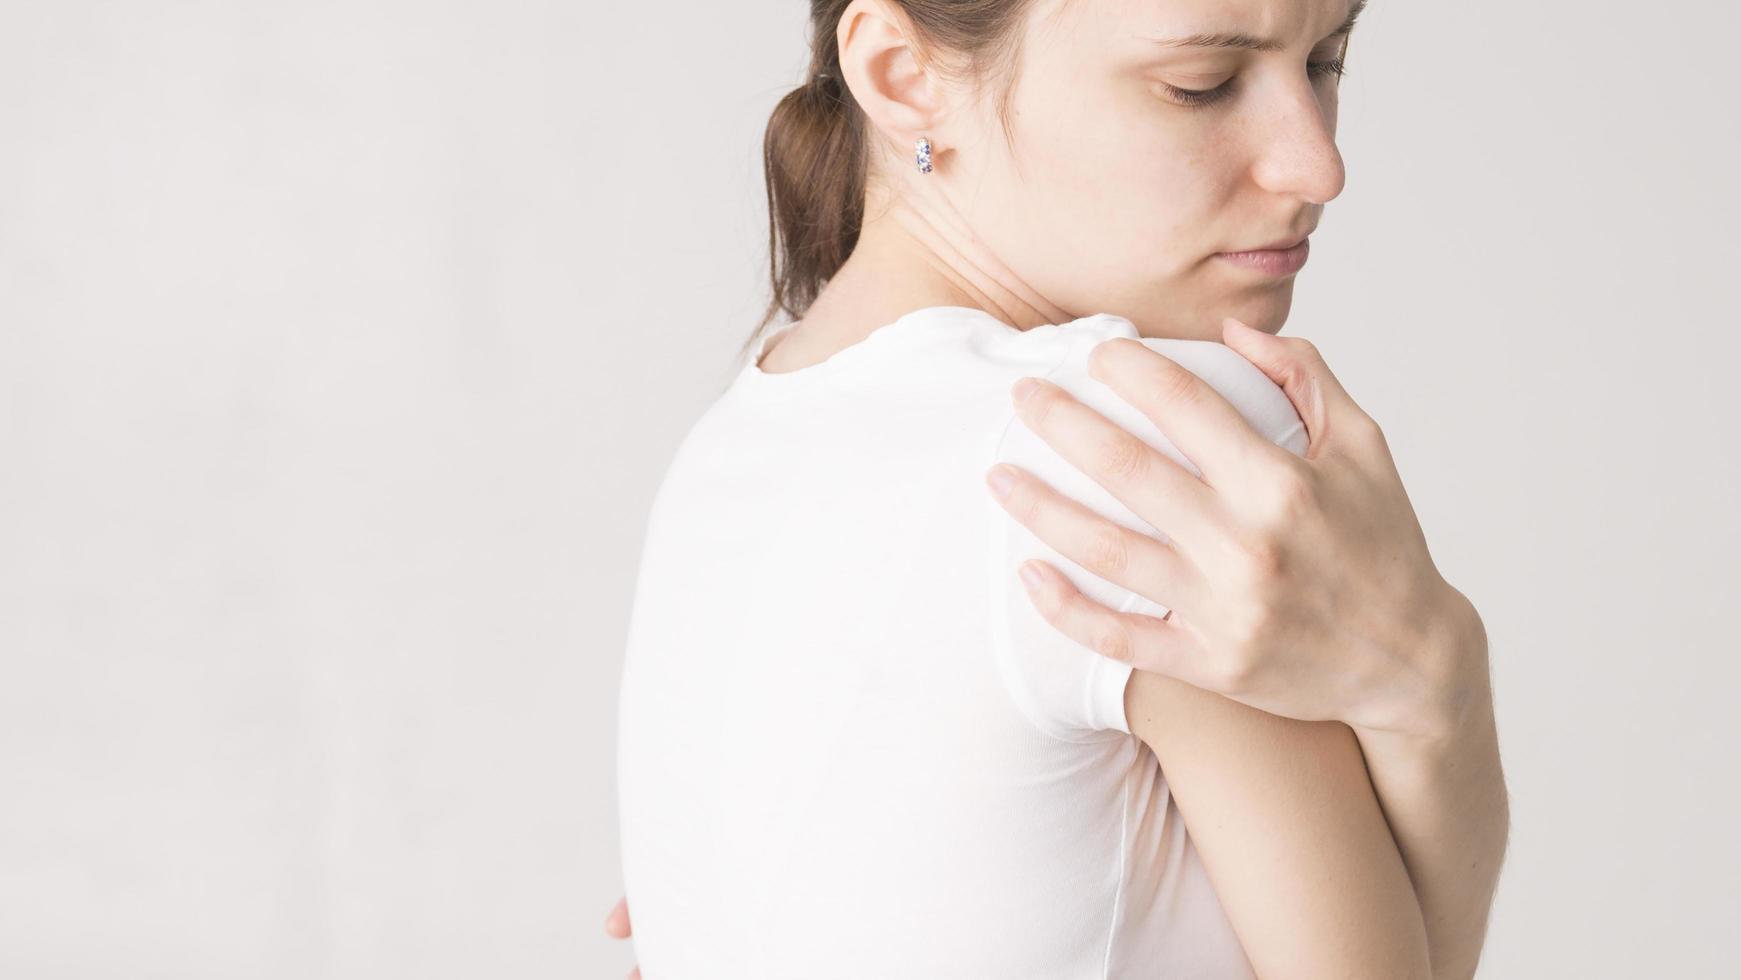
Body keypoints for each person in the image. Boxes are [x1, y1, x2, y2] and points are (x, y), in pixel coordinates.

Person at [610, 0, 1509, 976]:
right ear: (903, 76)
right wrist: (1437, 684)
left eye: (1325, 61)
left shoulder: (730, 449)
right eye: (1200, 83)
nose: (1316, 166)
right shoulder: (1136, 436)